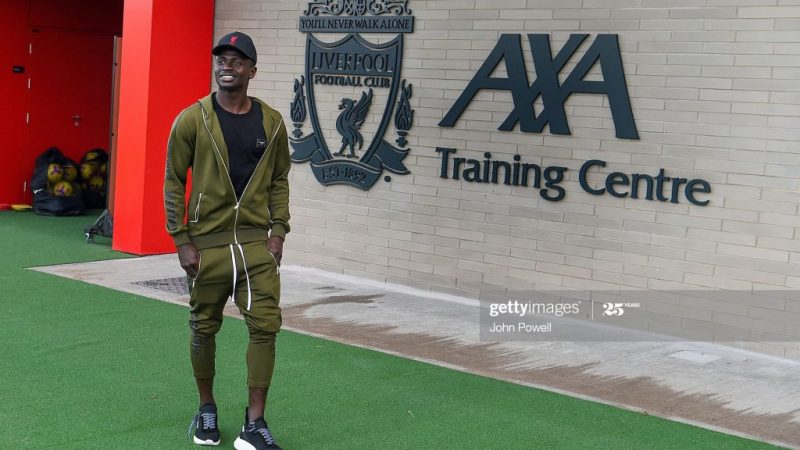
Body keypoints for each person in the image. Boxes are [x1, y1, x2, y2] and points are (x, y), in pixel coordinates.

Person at [163, 31, 290, 450]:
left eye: (237, 61)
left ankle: (255, 424)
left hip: (256, 246)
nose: (227, 66)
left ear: (252, 70)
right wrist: (182, 239)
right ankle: (206, 408)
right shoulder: (191, 119)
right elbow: (173, 180)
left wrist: (278, 231)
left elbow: (278, 180)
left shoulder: (271, 123)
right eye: (222, 59)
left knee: (265, 328)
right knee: (203, 328)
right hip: (208, 246)